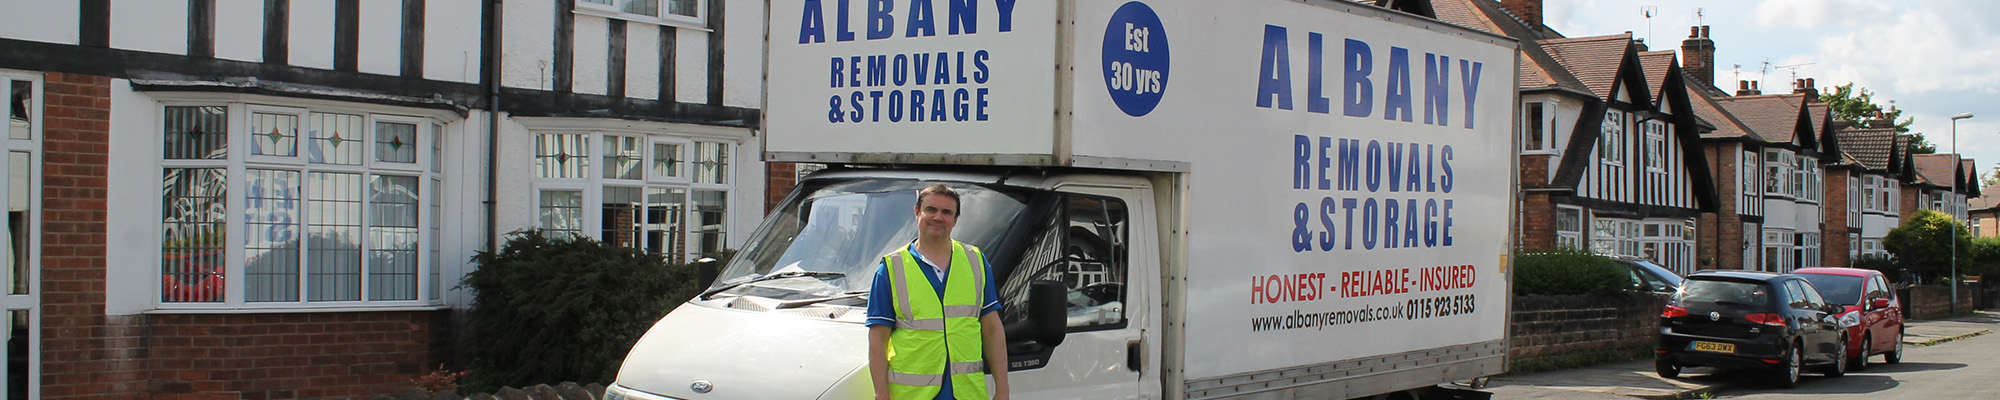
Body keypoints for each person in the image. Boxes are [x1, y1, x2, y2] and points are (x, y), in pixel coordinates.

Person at [866, 184, 1010, 400]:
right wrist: (881, 394)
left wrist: (1003, 390)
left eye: (946, 212)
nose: (938, 217)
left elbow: (992, 329)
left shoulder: (976, 262)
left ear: (955, 219)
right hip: (912, 395)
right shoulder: (891, 268)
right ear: (917, 212)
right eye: (931, 210)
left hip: (967, 394)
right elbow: (878, 339)